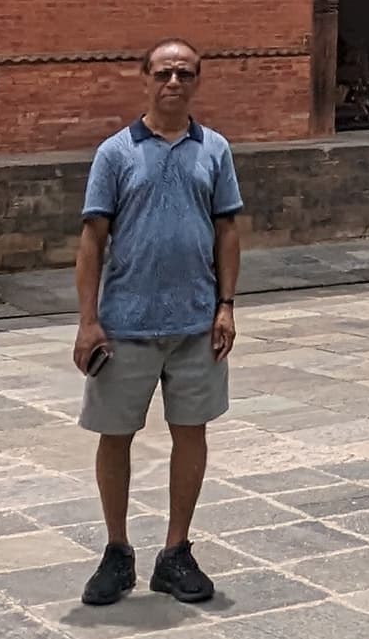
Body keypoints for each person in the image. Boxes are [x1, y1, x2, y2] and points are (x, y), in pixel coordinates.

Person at [71, 39, 246, 608]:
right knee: (115, 435)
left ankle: (176, 552)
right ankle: (117, 550)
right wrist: (88, 320)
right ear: (144, 77)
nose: (174, 82)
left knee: (190, 431)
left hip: (196, 322)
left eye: (185, 73)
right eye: (164, 72)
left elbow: (227, 230)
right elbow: (93, 238)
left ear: (198, 81)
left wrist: (226, 304)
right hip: (125, 322)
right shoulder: (116, 153)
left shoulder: (213, 151)